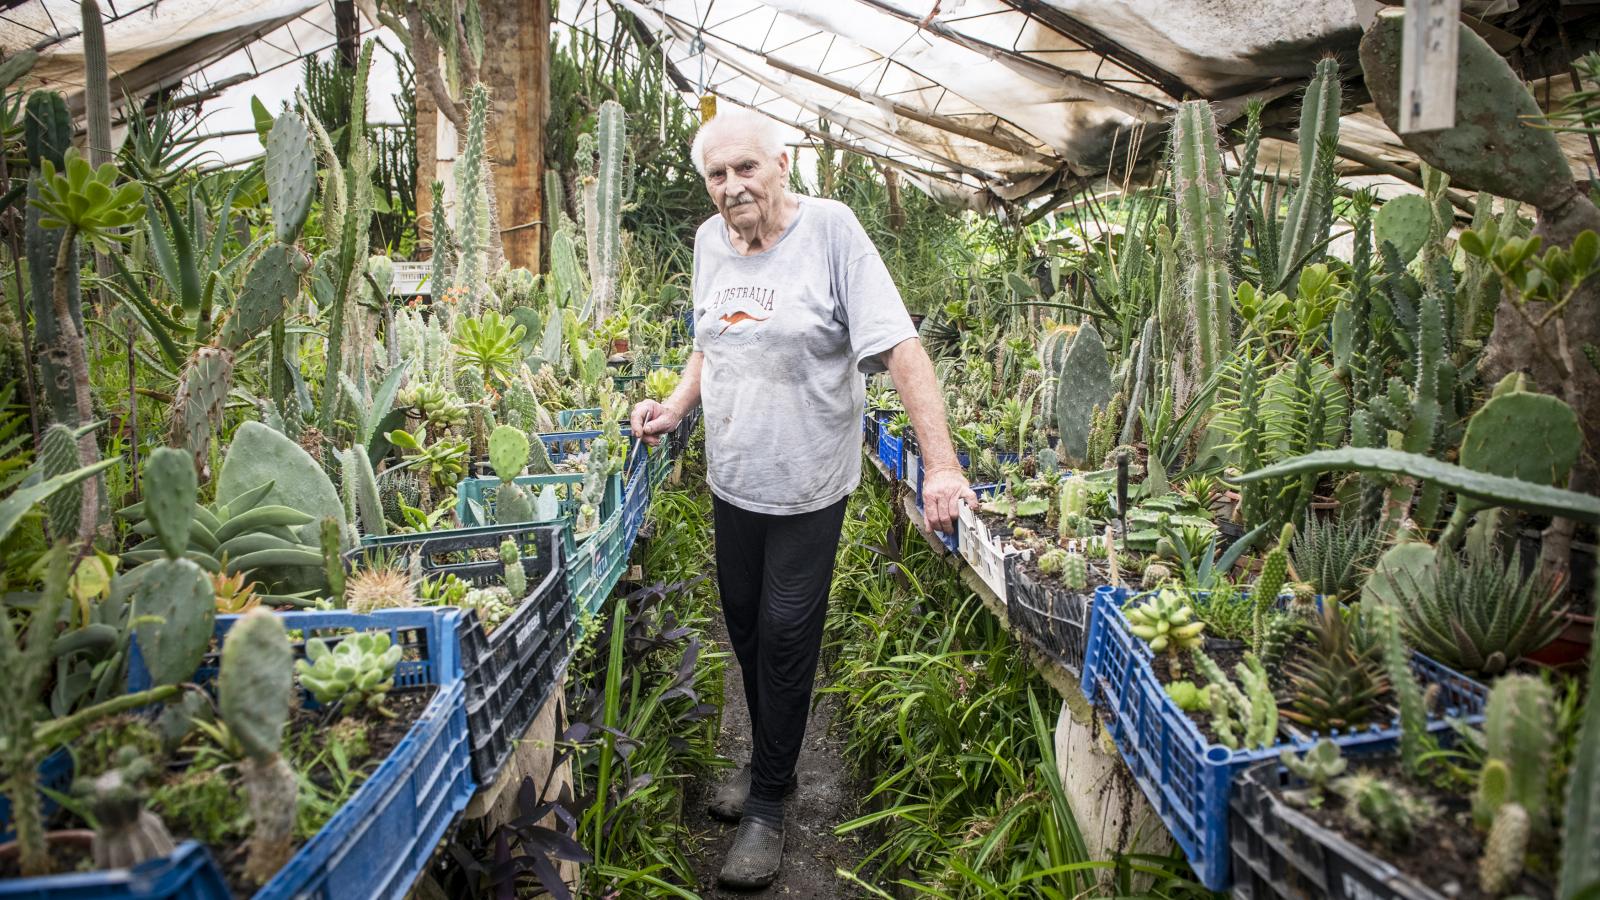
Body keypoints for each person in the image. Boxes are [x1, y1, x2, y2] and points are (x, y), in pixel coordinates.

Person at [629, 107, 976, 890]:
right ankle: (769, 769)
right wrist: (677, 407)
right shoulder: (708, 243)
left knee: (787, 633)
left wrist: (942, 466)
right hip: (735, 476)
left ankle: (767, 811)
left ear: (782, 164)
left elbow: (902, 348)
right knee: (747, 627)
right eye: (716, 175)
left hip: (810, 482)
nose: (731, 187)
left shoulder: (831, 231)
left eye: (745, 168)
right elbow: (705, 343)